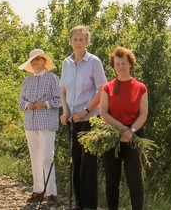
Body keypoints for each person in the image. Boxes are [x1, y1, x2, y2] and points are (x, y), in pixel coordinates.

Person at [60, 25, 109, 210]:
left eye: (82, 39)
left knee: (88, 166)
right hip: (72, 119)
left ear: (87, 41)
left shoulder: (94, 62)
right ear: (70, 42)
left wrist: (85, 111)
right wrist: (65, 112)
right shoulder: (66, 63)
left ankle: (89, 206)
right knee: (76, 162)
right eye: (75, 39)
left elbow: (102, 89)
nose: (78, 42)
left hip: (89, 119)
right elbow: (63, 90)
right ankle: (78, 204)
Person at [100, 47, 149, 210]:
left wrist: (131, 131)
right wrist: (122, 130)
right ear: (113, 67)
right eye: (117, 64)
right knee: (112, 178)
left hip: (134, 134)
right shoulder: (107, 88)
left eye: (124, 63)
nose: (121, 67)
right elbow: (103, 114)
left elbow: (143, 114)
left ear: (130, 64)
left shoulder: (140, 88)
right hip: (112, 134)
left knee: (135, 178)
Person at [18, 49, 62, 206]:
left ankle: (51, 193)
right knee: (35, 157)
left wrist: (46, 104)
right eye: (33, 60)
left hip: (47, 123)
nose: (35, 62)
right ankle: (38, 190)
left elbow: (60, 100)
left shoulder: (53, 79)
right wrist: (27, 105)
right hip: (30, 122)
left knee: (46, 157)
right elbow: (21, 102)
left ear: (44, 61)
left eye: (38, 59)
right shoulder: (27, 81)